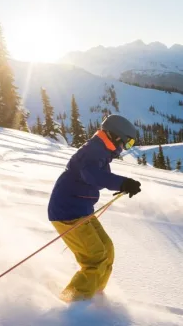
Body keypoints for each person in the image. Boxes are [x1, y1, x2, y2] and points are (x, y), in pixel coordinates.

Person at [47, 114, 142, 303]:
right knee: (95, 258)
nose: (125, 148)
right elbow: (94, 176)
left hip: (80, 210)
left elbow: (96, 177)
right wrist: (123, 183)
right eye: (127, 143)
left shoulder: (101, 151)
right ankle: (74, 301)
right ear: (115, 137)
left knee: (106, 248)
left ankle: (94, 292)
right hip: (67, 212)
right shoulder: (93, 152)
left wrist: (122, 184)